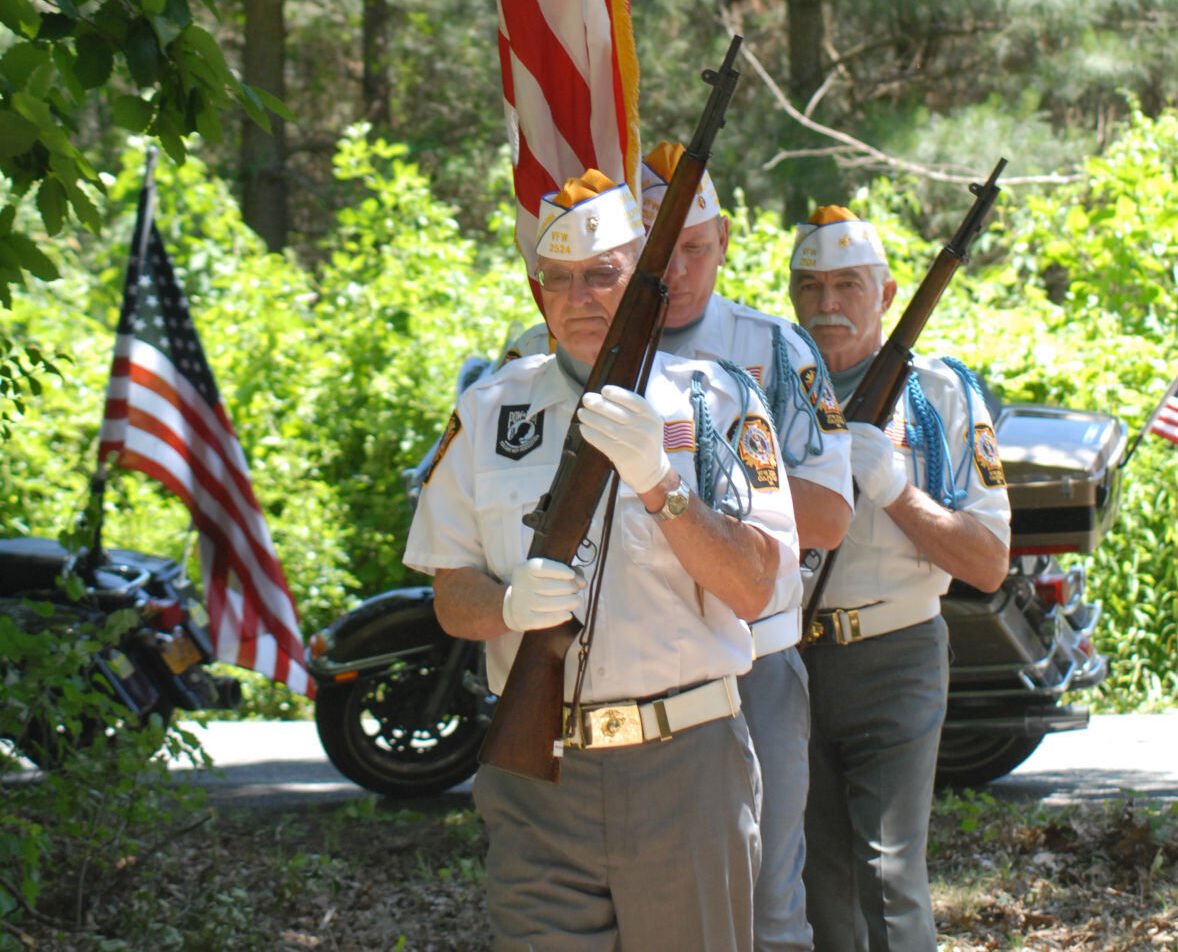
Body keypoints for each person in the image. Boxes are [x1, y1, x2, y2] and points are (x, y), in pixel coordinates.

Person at [404, 169, 802, 950]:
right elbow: (453, 592)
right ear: (537, 291)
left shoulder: (715, 401)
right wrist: (507, 606)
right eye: (560, 280)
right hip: (538, 773)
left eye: (603, 275)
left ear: (645, 286)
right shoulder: (490, 412)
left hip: (684, 763)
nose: (581, 297)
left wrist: (663, 485)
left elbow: (758, 587)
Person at [504, 143, 855, 951]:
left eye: (693, 248)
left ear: (721, 241)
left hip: (744, 654)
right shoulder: (536, 352)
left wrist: (678, 472)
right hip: (583, 671)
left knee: (763, 907)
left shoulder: (773, 350)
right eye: (663, 253)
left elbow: (828, 519)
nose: (681, 271)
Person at [788, 205, 1012, 951]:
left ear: (885, 296)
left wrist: (895, 489)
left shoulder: (936, 393)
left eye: (848, 286)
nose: (827, 305)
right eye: (810, 286)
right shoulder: (768, 386)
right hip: (788, 656)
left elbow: (987, 563)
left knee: (888, 878)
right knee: (815, 881)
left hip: (895, 654)